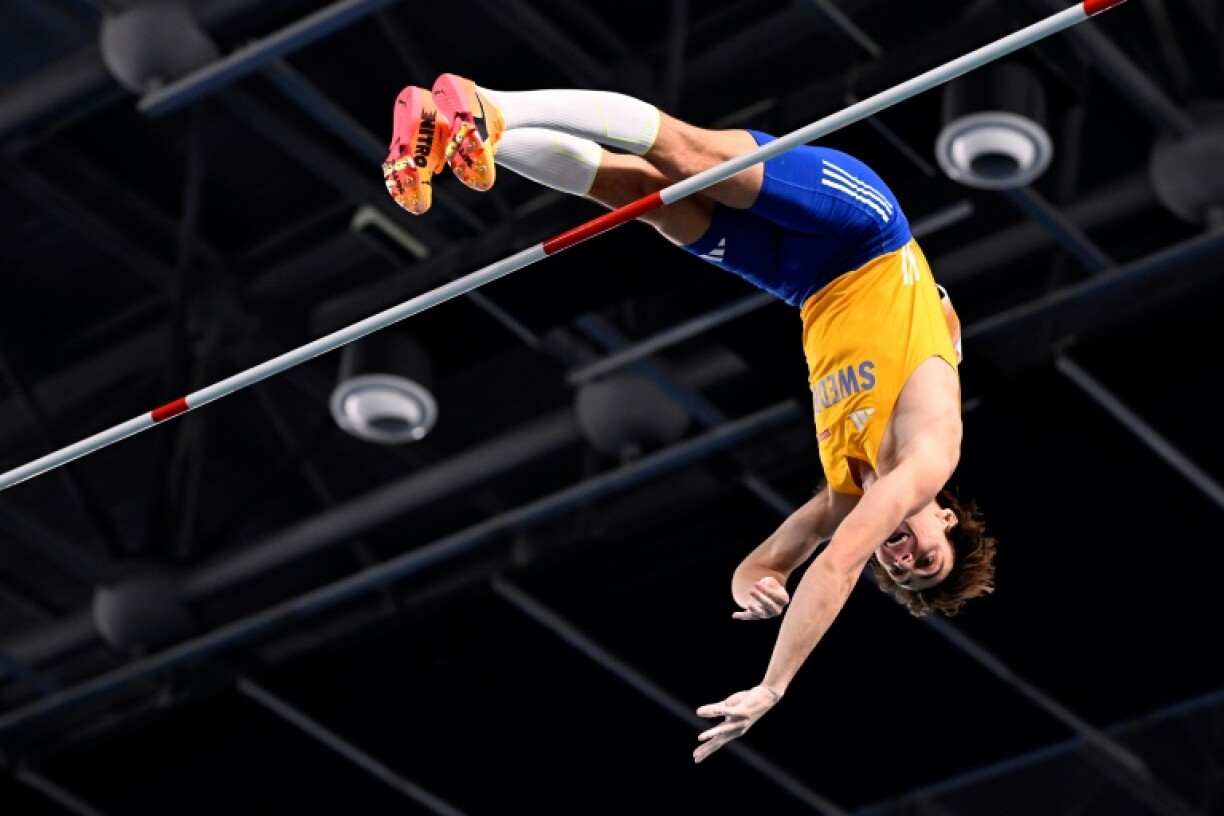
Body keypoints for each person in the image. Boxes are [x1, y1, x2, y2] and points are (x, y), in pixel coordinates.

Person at [383, 75, 998, 763]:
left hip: (802, 280)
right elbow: (838, 564)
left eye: (904, 574)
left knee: (641, 198)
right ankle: (491, 105)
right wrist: (773, 686)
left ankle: (458, 133)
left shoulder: (845, 493)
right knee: (689, 155)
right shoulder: (928, 458)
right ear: (946, 517)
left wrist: (760, 586)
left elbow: (759, 565)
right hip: (866, 235)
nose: (904, 558)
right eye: (927, 558)